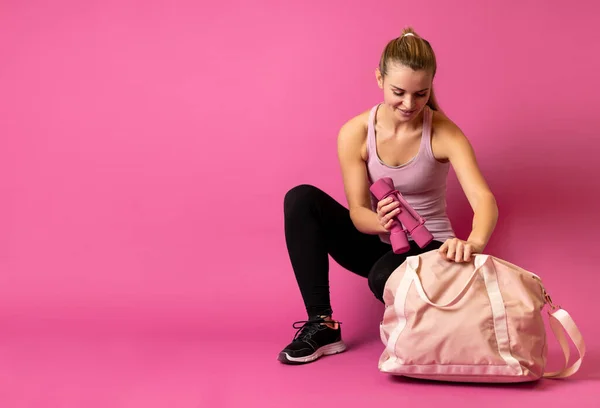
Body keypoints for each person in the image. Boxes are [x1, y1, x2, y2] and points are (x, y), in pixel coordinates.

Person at [278, 27, 499, 365]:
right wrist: (378, 219)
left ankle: (439, 329)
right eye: (399, 92)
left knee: (384, 276)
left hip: (432, 248)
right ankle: (321, 325)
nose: (409, 104)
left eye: (421, 94)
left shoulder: (443, 132)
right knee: (301, 199)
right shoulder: (356, 132)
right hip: (382, 242)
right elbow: (357, 212)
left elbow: (483, 198)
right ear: (379, 78)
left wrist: (474, 243)